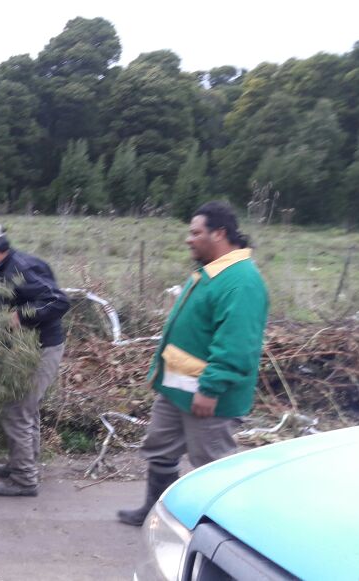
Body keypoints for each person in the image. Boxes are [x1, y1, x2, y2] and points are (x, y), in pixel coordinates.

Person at [118, 201, 269, 526]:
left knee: (211, 464)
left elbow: (237, 345)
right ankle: (156, 515)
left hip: (208, 396)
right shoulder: (211, 271)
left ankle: (218, 530)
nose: (189, 239)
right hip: (177, 387)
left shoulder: (241, 281)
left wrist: (210, 388)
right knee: (160, 449)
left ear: (219, 233)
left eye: (195, 233)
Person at [0, 223, 70, 497]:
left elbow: (58, 302)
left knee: (18, 409)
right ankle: (23, 464)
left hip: (40, 348)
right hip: (26, 350)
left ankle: (24, 480)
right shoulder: (6, 270)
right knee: (26, 408)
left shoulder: (21, 269)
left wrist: (22, 316)